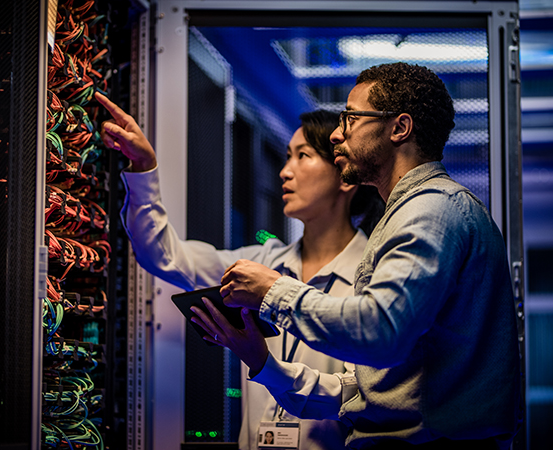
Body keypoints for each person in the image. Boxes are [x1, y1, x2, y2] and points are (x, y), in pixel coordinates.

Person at [201, 62, 522, 449]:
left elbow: (379, 332)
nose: (337, 134)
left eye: (351, 118)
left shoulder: (430, 211)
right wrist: (261, 361)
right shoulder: (408, 215)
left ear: (399, 128)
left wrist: (274, 291)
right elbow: (372, 390)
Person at [94, 91, 385, 450]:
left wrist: (263, 363)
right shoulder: (261, 264)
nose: (284, 171)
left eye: (303, 156)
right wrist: (143, 169)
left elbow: (357, 396)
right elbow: (163, 255)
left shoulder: (372, 279)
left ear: (345, 176)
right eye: (287, 157)